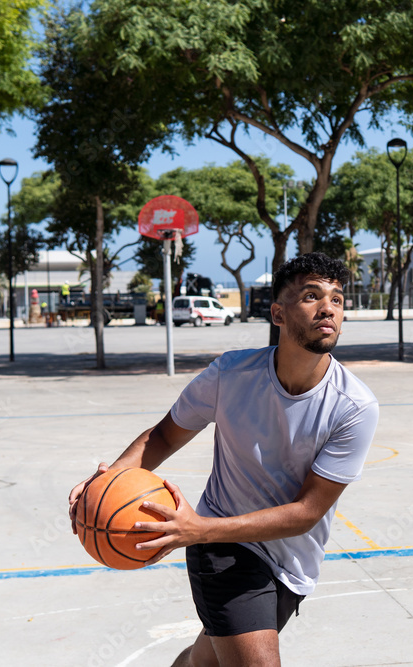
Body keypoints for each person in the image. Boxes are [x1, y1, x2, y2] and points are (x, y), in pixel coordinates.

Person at [68, 253, 379, 667]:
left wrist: (199, 529)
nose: (328, 308)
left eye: (337, 299)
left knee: (205, 663)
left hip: (292, 561)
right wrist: (103, 483)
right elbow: (163, 435)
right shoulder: (231, 374)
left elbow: (306, 513)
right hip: (222, 547)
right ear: (278, 314)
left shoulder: (354, 406)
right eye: (311, 296)